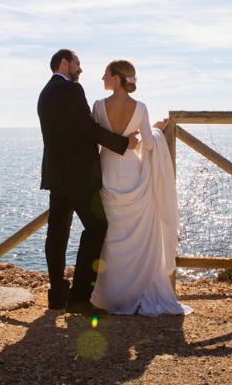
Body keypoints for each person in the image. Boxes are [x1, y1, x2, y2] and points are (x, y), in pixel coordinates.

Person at [37, 49, 138, 315]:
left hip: (55, 174)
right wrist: (125, 144)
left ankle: (57, 294)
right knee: (97, 227)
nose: (80, 70)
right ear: (64, 63)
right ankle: (80, 297)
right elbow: (88, 128)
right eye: (77, 64)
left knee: (57, 234)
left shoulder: (45, 93)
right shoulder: (71, 90)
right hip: (79, 174)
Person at [90, 60, 193, 316]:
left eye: (106, 74)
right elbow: (147, 145)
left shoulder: (98, 106)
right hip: (134, 173)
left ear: (116, 78)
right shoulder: (141, 107)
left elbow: (96, 140)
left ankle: (112, 295)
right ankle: (140, 287)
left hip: (107, 174)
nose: (102, 78)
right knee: (137, 235)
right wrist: (157, 130)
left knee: (111, 236)